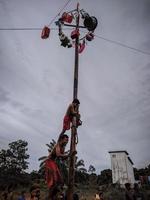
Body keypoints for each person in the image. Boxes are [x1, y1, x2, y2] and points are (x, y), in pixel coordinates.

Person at [45, 134, 70, 200]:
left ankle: (55, 193)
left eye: (68, 140)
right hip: (49, 161)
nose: (67, 141)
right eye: (66, 140)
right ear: (61, 139)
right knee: (54, 179)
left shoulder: (63, 147)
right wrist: (68, 155)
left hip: (54, 163)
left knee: (60, 180)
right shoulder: (58, 145)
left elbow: (63, 158)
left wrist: (69, 155)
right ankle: (50, 196)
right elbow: (59, 155)